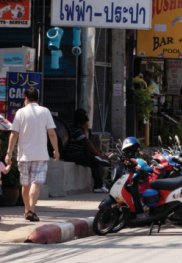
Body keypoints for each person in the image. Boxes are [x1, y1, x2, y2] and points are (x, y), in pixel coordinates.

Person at [5, 87, 60, 222]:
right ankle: (31, 210)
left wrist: (9, 153)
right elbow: (52, 133)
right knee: (36, 182)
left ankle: (26, 210)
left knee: (25, 184)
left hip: (24, 155)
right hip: (40, 155)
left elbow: (14, 134)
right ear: (37, 98)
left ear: (26, 98)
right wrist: (56, 150)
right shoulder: (45, 111)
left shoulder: (20, 113)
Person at [61, 108, 108, 193]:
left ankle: (100, 185)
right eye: (86, 123)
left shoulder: (71, 128)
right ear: (81, 123)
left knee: (94, 159)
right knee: (95, 161)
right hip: (74, 154)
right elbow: (87, 143)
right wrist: (98, 155)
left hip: (72, 154)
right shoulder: (77, 131)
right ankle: (98, 186)